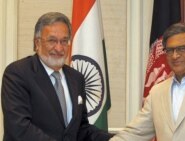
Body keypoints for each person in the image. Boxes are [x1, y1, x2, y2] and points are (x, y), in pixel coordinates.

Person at [1, 12, 113, 141]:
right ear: (37, 43)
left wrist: (116, 139)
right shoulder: (17, 73)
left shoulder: (77, 78)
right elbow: (19, 128)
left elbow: (81, 129)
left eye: (64, 41)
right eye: (52, 40)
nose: (59, 48)